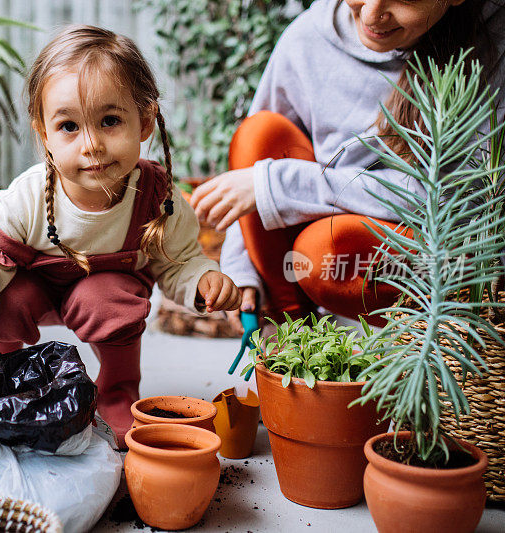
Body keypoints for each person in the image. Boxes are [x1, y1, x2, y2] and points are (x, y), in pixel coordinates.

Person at [0, 25, 241, 447]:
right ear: (45, 135)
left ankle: (115, 395)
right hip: (29, 288)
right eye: (69, 126)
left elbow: (180, 261)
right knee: (4, 301)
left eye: (110, 121)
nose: (91, 145)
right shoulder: (27, 198)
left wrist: (203, 281)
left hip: (101, 297)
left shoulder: (157, 197)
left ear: (145, 121)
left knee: (109, 297)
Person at [190, 0, 505, 331]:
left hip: (441, 253)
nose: (371, 15)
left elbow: (460, 199)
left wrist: (283, 186)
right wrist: (241, 267)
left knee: (322, 251)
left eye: (404, 0)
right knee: (258, 134)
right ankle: (292, 332)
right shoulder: (309, 36)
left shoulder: (494, 47)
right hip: (324, 230)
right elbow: (252, 173)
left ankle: (427, 343)